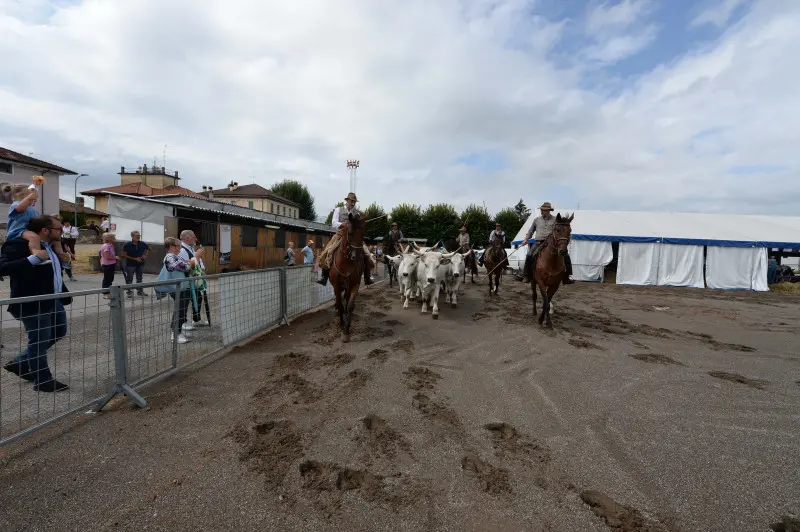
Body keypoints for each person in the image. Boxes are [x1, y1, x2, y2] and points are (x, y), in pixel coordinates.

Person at [0, 215, 72, 392]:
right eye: (58, 229)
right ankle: (43, 380)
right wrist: (32, 259)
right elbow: (3, 268)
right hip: (32, 302)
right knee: (38, 342)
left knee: (59, 331)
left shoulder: (51, 246)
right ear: (45, 231)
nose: (61, 232)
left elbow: (53, 273)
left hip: (52, 299)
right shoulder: (17, 245)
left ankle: (21, 363)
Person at [316, 192, 375, 286]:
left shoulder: (357, 213)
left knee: (367, 254)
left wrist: (361, 223)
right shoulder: (338, 209)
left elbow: (358, 225)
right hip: (340, 235)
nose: (353, 203)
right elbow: (334, 222)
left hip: (353, 238)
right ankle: (324, 277)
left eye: (354, 201)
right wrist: (343, 224)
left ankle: (367, 277)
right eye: (352, 201)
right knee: (327, 252)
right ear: (347, 200)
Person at [7, 180, 70, 264]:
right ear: (24, 197)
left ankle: (60, 254)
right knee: (34, 238)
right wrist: (30, 197)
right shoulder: (16, 204)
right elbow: (19, 209)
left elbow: (39, 220)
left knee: (56, 238)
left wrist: (50, 218)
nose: (34, 201)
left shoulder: (32, 210)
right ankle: (36, 254)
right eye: (32, 199)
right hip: (18, 231)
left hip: (29, 230)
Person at [516, 202, 574, 284]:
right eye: (541, 210)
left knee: (566, 255)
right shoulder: (536, 220)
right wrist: (525, 240)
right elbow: (530, 231)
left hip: (551, 243)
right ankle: (526, 275)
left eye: (543, 210)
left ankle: (567, 276)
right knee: (529, 255)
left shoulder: (555, 220)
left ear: (548, 210)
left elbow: (560, 230)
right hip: (538, 242)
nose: (541, 211)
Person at [164, 237, 197, 344]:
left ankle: (177, 330)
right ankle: (176, 333)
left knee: (182, 308)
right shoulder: (170, 257)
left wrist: (189, 263)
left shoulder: (175, 256)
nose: (180, 248)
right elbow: (183, 266)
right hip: (176, 288)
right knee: (180, 309)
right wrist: (191, 263)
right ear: (171, 247)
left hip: (181, 287)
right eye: (178, 246)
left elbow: (184, 264)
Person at [177, 230, 208, 328]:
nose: (195, 239)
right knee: (184, 301)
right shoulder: (182, 250)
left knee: (198, 298)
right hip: (184, 281)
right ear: (187, 238)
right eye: (194, 237)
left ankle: (196, 319)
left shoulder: (190, 248)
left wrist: (202, 269)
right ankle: (183, 323)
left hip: (191, 281)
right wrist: (197, 255)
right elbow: (187, 265)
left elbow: (197, 262)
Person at [121, 230, 151, 298]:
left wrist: (145, 255)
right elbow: (123, 255)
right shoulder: (127, 244)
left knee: (139, 278)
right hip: (130, 264)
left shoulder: (142, 243)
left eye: (139, 236)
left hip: (140, 264)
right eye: (136, 236)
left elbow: (149, 248)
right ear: (132, 236)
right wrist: (135, 259)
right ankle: (129, 292)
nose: (138, 237)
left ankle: (140, 291)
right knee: (129, 278)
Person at [100, 233, 118, 299]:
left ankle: (108, 292)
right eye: (113, 237)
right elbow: (107, 256)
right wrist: (115, 257)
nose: (115, 238)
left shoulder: (111, 245)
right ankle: (105, 293)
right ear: (109, 239)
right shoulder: (106, 246)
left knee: (110, 279)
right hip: (107, 265)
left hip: (111, 264)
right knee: (107, 279)